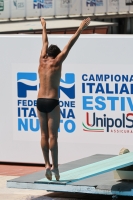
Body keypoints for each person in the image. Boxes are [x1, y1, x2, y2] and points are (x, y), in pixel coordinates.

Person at [37, 17, 91, 181]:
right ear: (56, 55)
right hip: (52, 102)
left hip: (40, 102)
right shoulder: (58, 61)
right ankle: (56, 169)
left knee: (43, 135)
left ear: (47, 54)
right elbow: (70, 44)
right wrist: (80, 28)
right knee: (53, 137)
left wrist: (44, 26)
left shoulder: (41, 59)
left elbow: (44, 41)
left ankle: (46, 164)